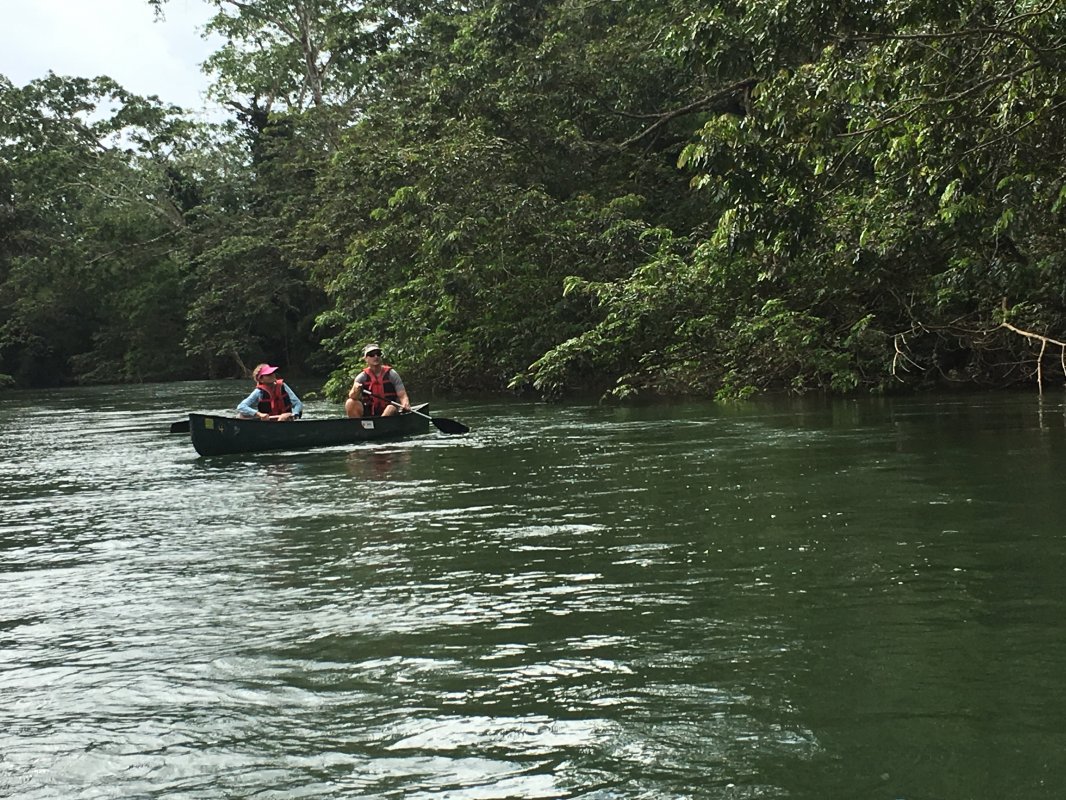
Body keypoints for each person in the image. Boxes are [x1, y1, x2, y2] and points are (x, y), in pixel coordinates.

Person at [345, 343, 412, 418]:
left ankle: (381, 426)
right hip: (370, 412)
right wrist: (356, 390)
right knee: (350, 402)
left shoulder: (391, 374)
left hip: (390, 411)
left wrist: (405, 404)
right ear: (366, 358)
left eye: (378, 354)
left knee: (390, 408)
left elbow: (402, 395)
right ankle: (359, 427)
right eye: (371, 355)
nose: (375, 357)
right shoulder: (361, 377)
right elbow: (352, 396)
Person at [237, 363, 303, 421]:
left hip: (286, 419)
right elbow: (241, 406)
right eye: (268, 374)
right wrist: (259, 414)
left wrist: (294, 414)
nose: (272, 375)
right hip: (268, 421)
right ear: (260, 379)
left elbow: (298, 403)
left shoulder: (283, 386)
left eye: (272, 373)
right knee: (241, 415)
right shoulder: (259, 392)